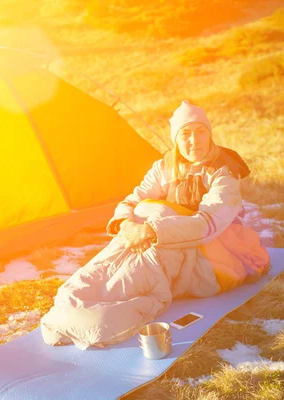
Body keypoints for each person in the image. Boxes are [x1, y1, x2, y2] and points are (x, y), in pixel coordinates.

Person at [40, 100, 270, 350]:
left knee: (150, 231)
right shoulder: (165, 166)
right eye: (185, 134)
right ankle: (72, 307)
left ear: (210, 133)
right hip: (158, 239)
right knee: (86, 281)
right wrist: (127, 224)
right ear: (175, 139)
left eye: (200, 131)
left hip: (210, 256)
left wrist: (152, 229)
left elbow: (207, 225)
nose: (194, 140)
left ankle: (92, 318)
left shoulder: (223, 172)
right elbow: (133, 200)